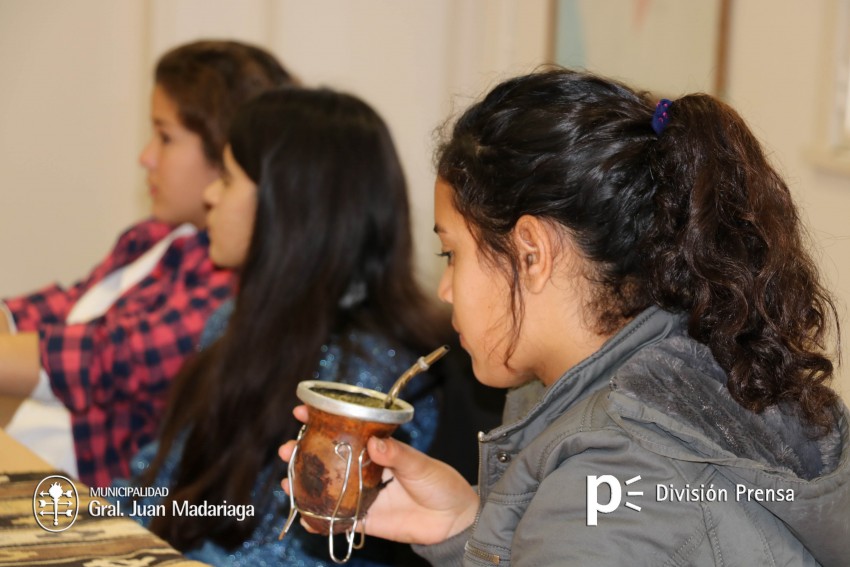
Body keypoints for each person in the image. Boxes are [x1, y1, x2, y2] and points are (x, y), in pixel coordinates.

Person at [280, 68, 850, 566]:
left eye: (451, 253)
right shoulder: (687, 366)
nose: (447, 290)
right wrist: (461, 527)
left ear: (532, 252)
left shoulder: (608, 481)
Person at [114, 87, 448, 567]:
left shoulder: (372, 373)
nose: (209, 195)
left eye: (227, 180)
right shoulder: (233, 323)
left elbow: (304, 555)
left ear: (289, 210)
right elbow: (164, 487)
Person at [0, 40, 294, 487]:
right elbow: (62, 305)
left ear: (225, 149)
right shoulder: (154, 236)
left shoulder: (229, 290)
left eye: (166, 135)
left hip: (89, 498)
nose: (146, 156)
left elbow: (107, 358)